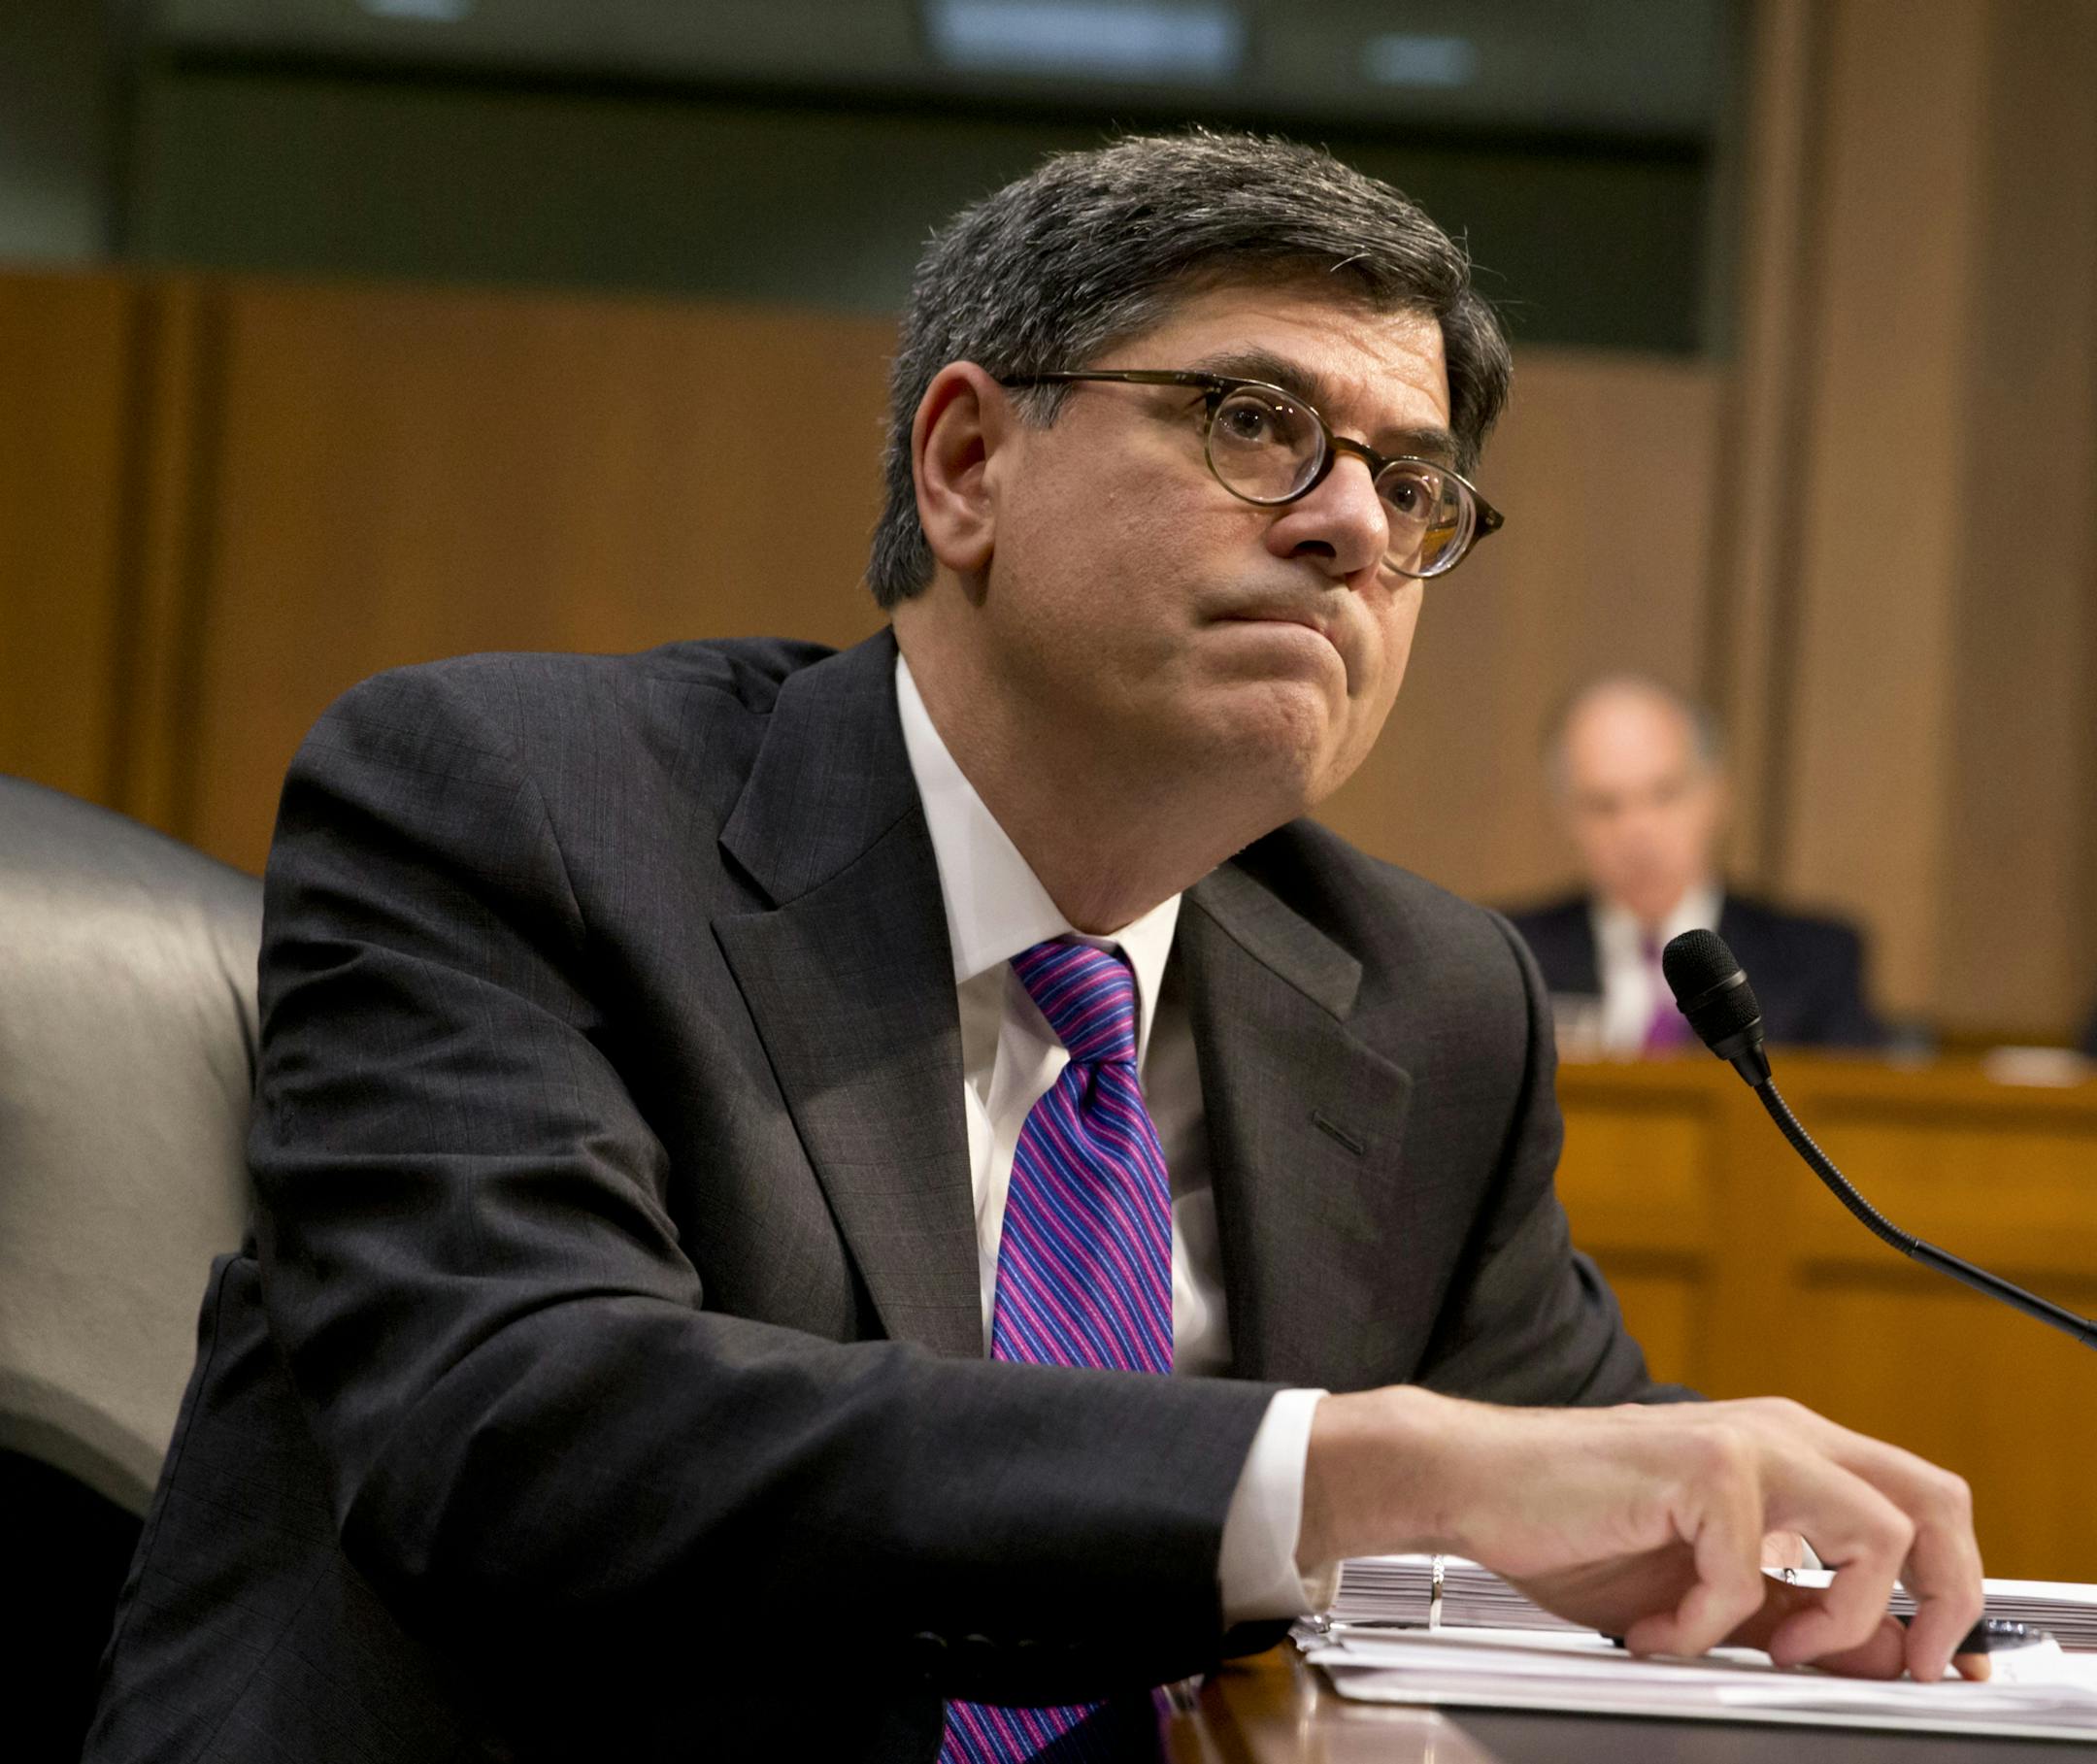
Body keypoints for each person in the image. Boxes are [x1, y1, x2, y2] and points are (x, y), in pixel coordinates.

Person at [87, 132, 1980, 1764]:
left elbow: (1568, 1464)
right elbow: (521, 1430)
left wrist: (1807, 1558)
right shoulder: (519, 806)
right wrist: (1357, 1469)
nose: (1349, 526)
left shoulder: (1426, 997)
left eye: (1413, 487)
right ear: (970, 462)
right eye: (1258, 423)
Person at [1508, 675, 1885, 1053]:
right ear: (1565, 817)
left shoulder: (1812, 959)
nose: (1637, 830)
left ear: (1717, 795)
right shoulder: (1513, 957)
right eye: (1604, 806)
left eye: (1665, 795)